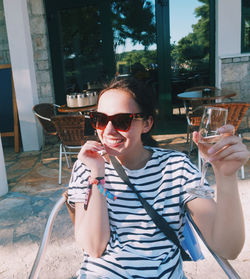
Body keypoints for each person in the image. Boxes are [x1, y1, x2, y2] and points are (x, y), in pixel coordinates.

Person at [67, 77, 249, 279]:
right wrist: (97, 175)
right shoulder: (87, 165)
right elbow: (94, 248)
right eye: (100, 119)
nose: (108, 130)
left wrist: (226, 176)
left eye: (121, 121)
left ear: (146, 124)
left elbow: (228, 248)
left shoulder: (175, 167)